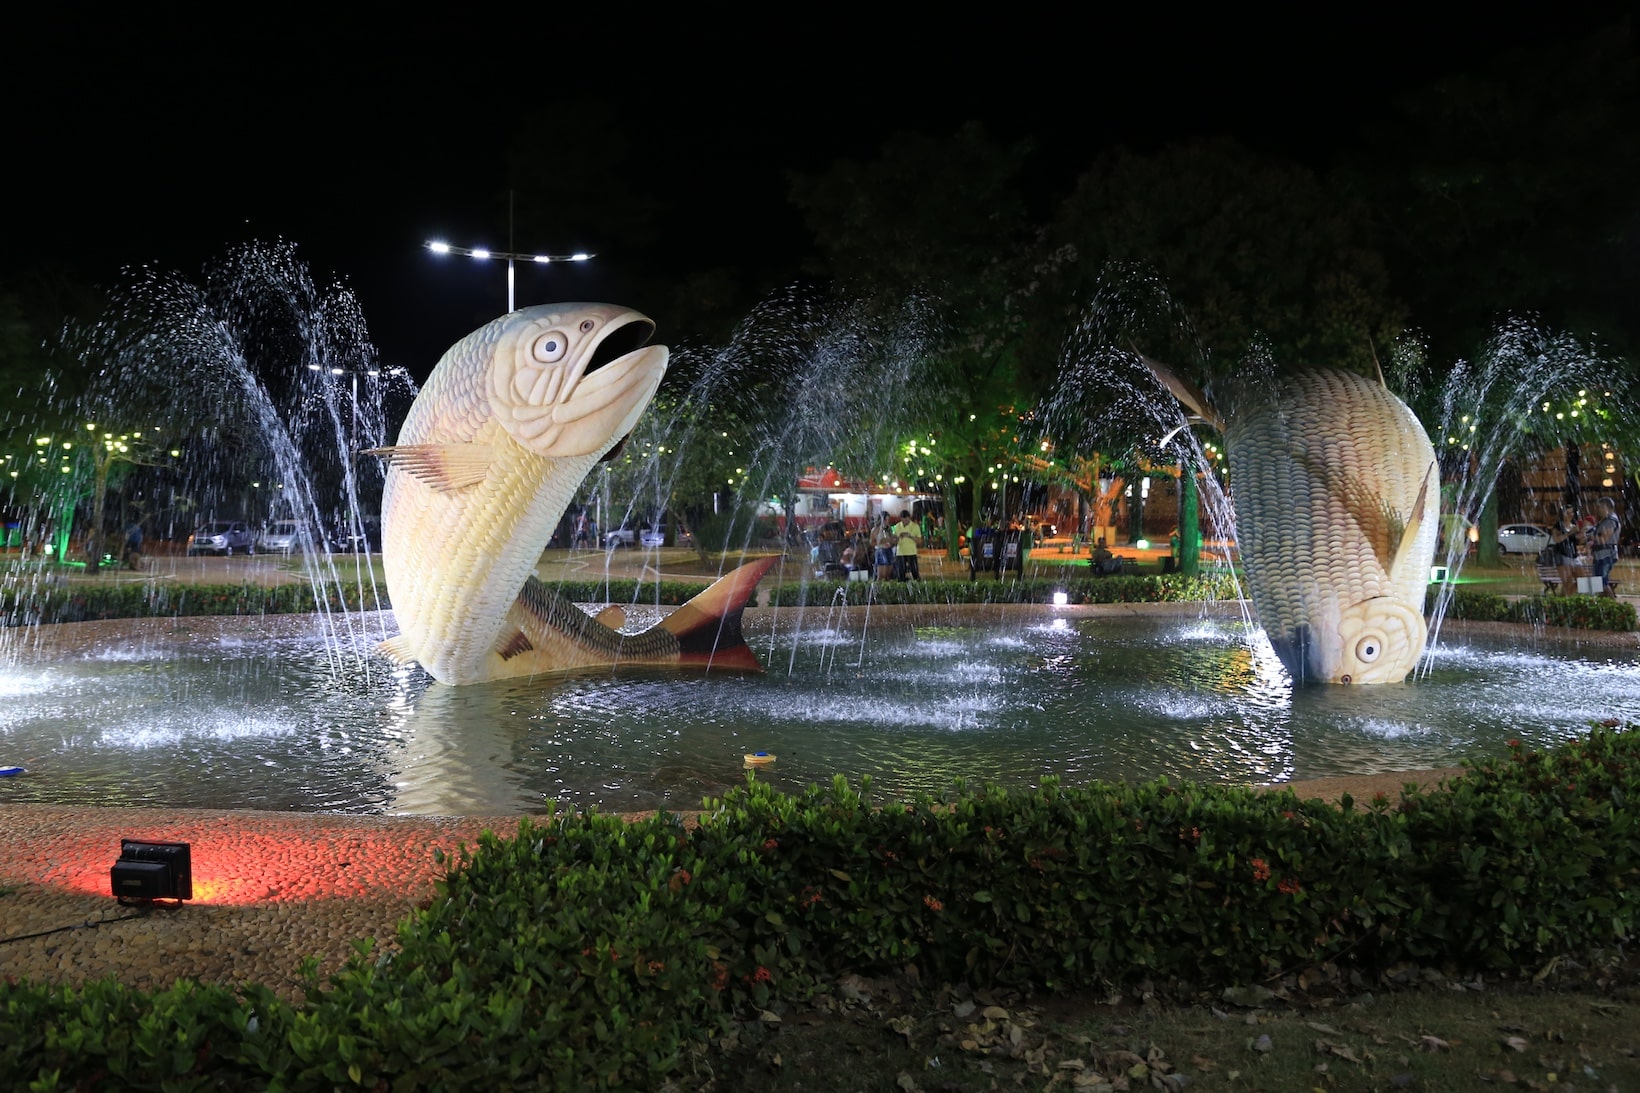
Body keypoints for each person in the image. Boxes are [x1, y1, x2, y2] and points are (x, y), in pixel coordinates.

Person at [1590, 496, 1622, 593]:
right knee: (1599, 583)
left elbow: (1604, 539)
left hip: (1606, 555)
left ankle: (1612, 605)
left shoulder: (1610, 521)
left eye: (1599, 507)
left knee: (1602, 583)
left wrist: (1590, 536)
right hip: (1601, 554)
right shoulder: (1605, 520)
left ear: (1605, 507)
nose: (1598, 510)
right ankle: (1605, 605)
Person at [1550, 505, 1582, 594]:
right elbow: (1556, 540)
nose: (1570, 515)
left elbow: (1577, 540)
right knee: (1568, 582)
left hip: (1574, 555)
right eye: (1567, 513)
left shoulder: (1574, 525)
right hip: (1562, 555)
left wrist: (1583, 534)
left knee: (1582, 581)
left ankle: (1570, 597)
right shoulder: (1558, 526)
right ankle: (1565, 600)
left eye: (1572, 512)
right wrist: (1569, 533)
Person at [892, 509, 921, 581]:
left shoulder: (915, 526)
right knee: (901, 573)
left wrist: (910, 536)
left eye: (906, 520)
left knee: (915, 572)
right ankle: (902, 587)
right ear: (901, 518)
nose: (905, 522)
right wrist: (899, 537)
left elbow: (919, 541)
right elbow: (893, 540)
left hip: (911, 552)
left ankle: (917, 586)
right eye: (903, 520)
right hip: (900, 552)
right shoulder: (897, 526)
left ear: (909, 518)